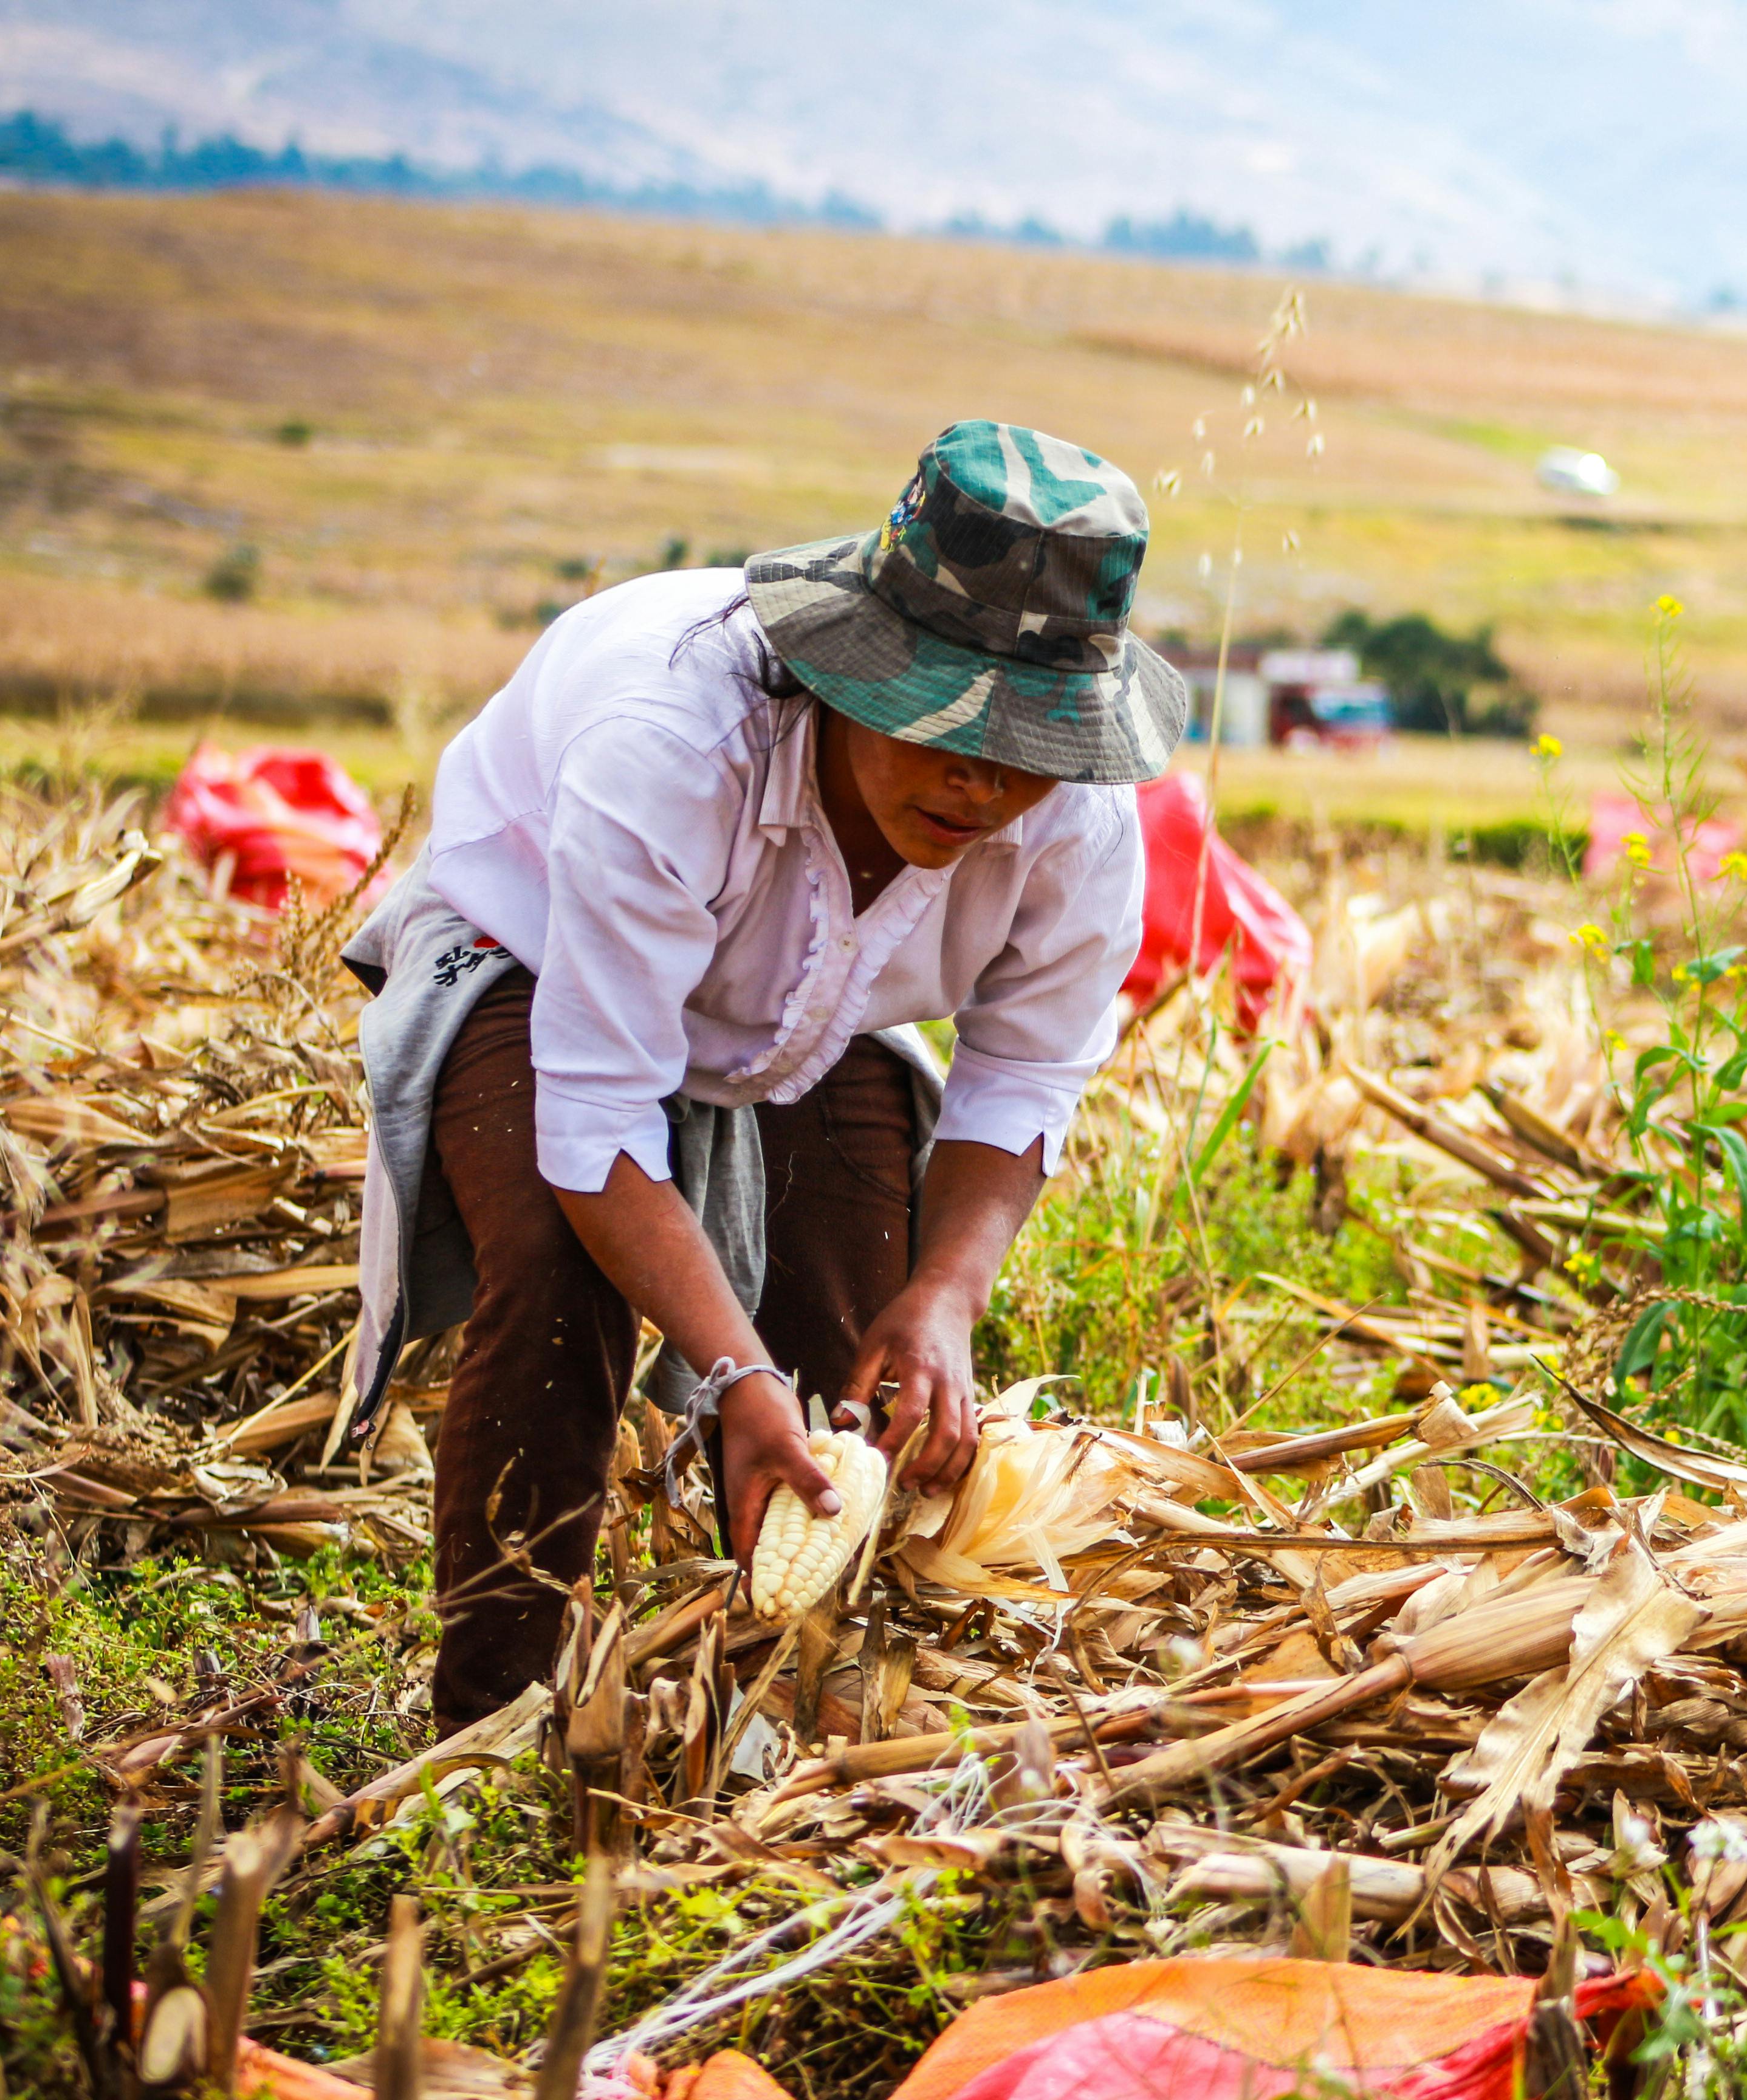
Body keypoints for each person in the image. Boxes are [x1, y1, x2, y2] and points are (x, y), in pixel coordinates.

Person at [341, 421, 1187, 1731]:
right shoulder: (674, 743)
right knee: (564, 1277)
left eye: (1025, 746)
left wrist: (946, 1300)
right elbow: (599, 1117)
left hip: (826, 1003)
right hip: (536, 953)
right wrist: (731, 1377)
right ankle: (487, 1729)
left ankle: (783, 1717)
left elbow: (1019, 1079)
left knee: (862, 1340)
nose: (981, 782)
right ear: (852, 672)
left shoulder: (1074, 821)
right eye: (942, 726)